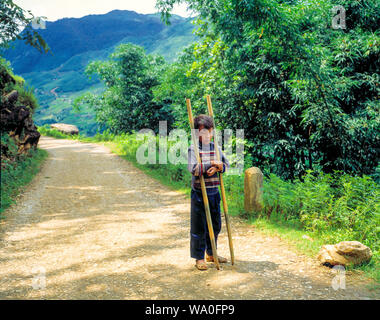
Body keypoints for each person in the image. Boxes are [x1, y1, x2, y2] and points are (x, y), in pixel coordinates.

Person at [187, 114, 230, 270]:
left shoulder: (216, 148)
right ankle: (199, 257)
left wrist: (219, 167)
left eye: (209, 132)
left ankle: (211, 253)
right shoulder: (193, 149)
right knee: (199, 226)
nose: (206, 135)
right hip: (199, 193)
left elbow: (226, 165)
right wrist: (210, 164)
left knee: (216, 224)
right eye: (202, 132)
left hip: (214, 192)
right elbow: (194, 169)